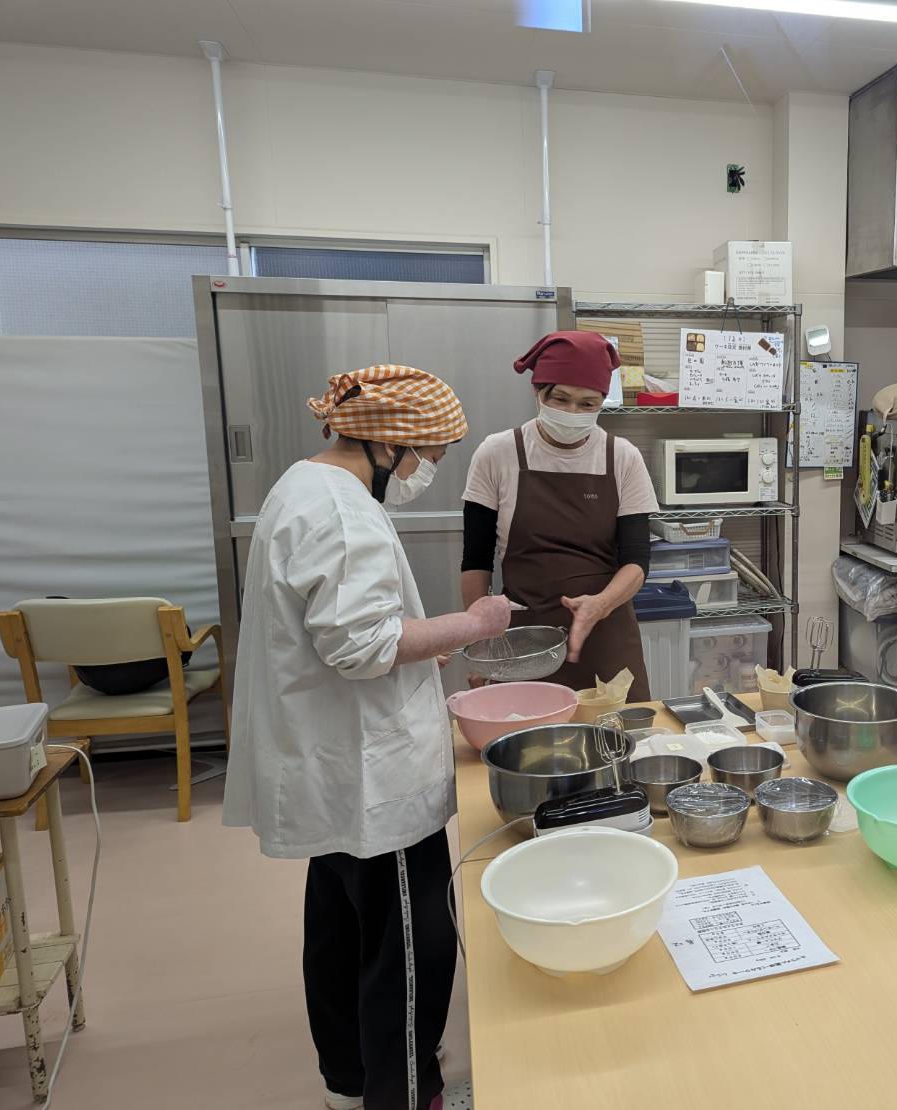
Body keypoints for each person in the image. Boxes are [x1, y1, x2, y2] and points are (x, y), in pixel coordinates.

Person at [223, 365, 510, 1110]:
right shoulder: (344, 513)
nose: (429, 469)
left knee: (340, 931)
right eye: (430, 454)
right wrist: (471, 625)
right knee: (410, 947)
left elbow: (341, 631)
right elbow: (363, 645)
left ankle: (349, 1083)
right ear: (389, 445)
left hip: (334, 768)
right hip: (375, 781)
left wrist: (420, 643)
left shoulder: (301, 485)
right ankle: (406, 1094)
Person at [460, 330, 657, 698]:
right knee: (526, 730)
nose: (572, 413)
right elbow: (476, 560)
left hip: (607, 634)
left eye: (587, 404)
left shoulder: (622, 457)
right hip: (524, 640)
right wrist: (482, 643)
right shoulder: (497, 453)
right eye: (561, 399)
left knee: (617, 728)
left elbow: (637, 560)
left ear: (602, 403)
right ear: (539, 393)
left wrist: (600, 604)